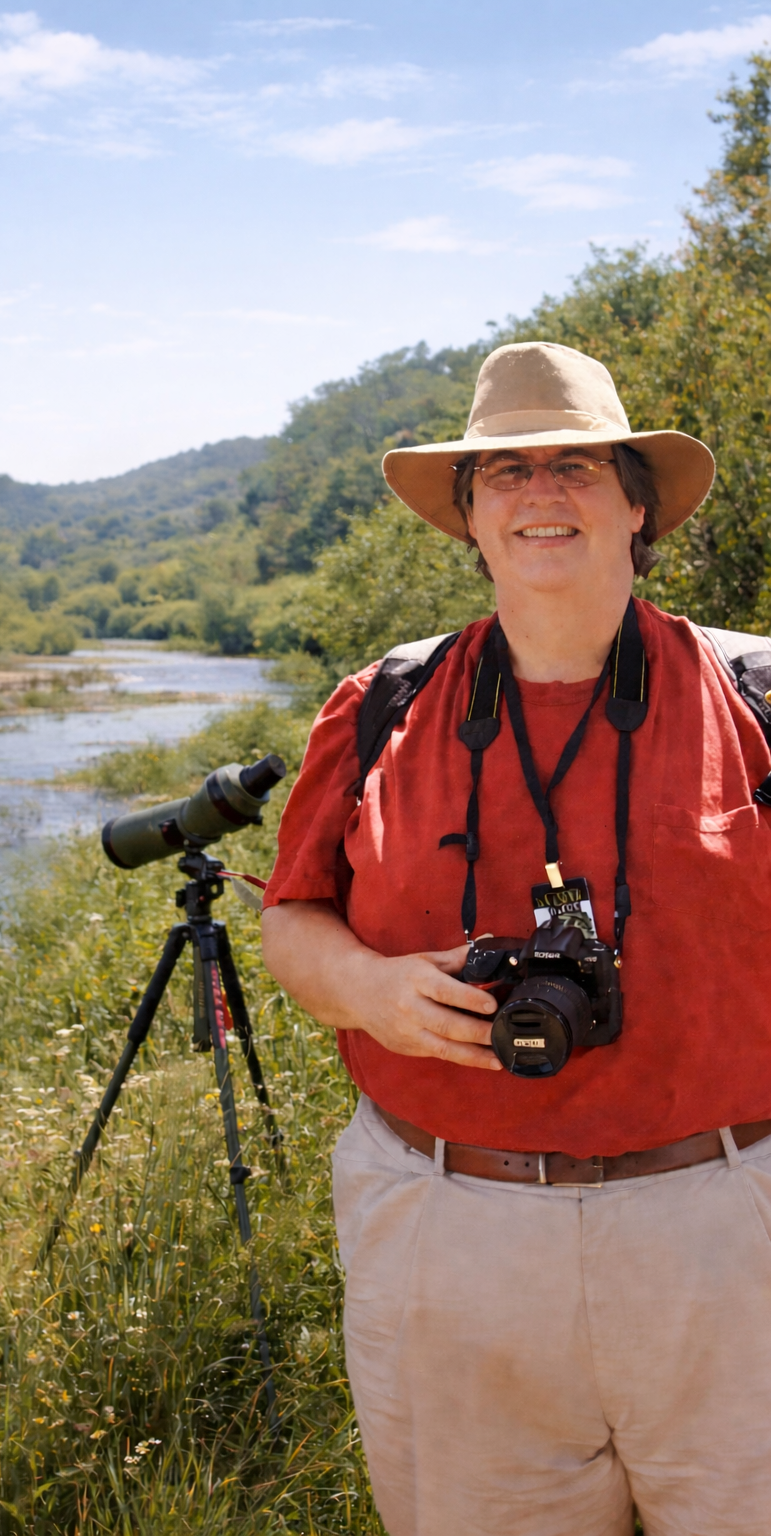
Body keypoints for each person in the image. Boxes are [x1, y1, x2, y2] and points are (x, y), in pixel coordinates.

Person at [261, 341, 771, 1536]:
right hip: (448, 1226)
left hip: (729, 1220)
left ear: (638, 507)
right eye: (506, 472)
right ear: (471, 520)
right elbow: (292, 916)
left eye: (578, 466)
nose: (541, 492)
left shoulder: (753, 693)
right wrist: (366, 988)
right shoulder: (382, 701)